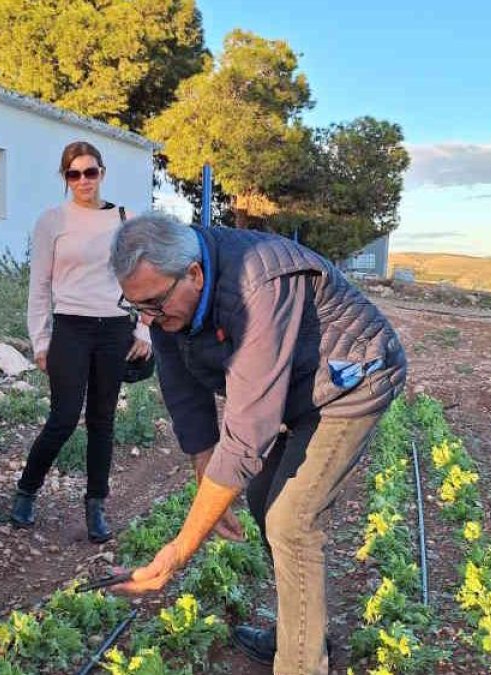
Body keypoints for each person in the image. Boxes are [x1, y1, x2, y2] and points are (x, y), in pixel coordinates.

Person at [110, 214, 407, 675]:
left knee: (292, 521)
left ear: (193, 273)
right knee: (259, 498)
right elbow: (183, 391)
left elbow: (249, 432)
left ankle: (302, 664)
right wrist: (204, 472)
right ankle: (300, 631)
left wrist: (180, 549)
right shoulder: (167, 304)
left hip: (352, 380)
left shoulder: (258, 285)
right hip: (297, 387)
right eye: (136, 308)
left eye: (153, 304)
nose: (147, 319)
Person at [8, 141, 151, 543]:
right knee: (63, 417)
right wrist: (40, 339)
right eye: (74, 174)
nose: (83, 180)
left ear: (102, 173)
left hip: (115, 328)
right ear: (65, 178)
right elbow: (39, 285)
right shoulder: (52, 221)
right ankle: (26, 491)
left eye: (90, 172)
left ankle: (96, 506)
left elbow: (146, 278)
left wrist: (145, 329)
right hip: (70, 326)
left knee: (103, 420)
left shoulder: (127, 220)